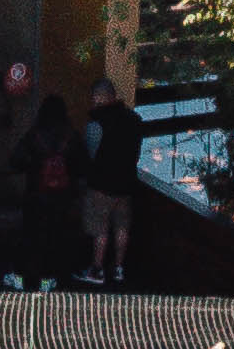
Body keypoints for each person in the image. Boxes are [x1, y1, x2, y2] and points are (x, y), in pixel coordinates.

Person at [12, 63, 80, 290]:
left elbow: (16, 161)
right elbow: (82, 165)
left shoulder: (35, 135)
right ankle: (48, 279)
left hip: (36, 195)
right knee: (55, 237)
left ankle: (22, 277)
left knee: (31, 237)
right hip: (62, 197)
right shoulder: (71, 136)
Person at [79, 76, 146, 287]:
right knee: (122, 227)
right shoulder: (135, 120)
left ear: (98, 97)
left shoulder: (96, 124)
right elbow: (136, 154)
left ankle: (97, 270)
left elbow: (91, 155)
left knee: (101, 229)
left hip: (102, 186)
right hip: (126, 184)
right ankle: (118, 268)